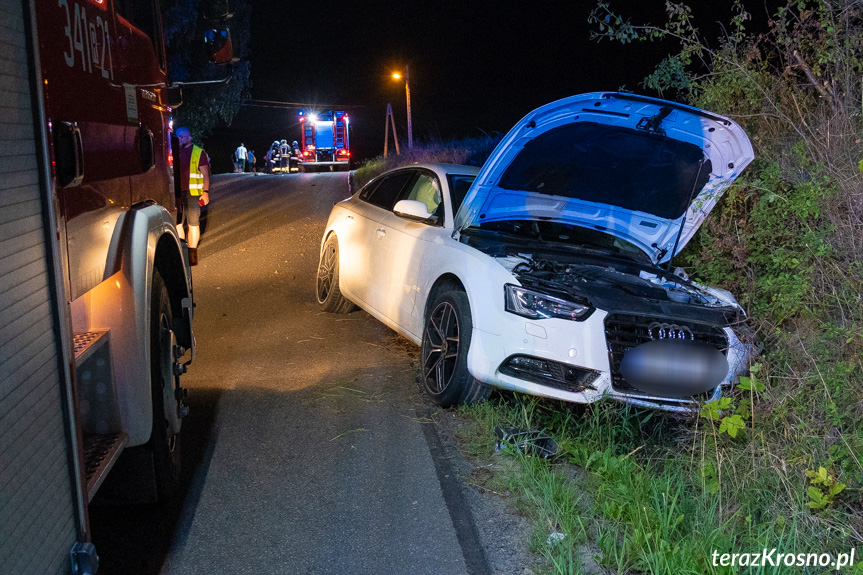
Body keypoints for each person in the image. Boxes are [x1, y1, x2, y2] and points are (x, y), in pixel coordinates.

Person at [175, 127, 210, 266]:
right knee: (177, 224)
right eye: (177, 136)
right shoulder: (173, 151)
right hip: (177, 193)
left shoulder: (198, 152)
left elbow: (205, 175)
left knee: (193, 224)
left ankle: (192, 255)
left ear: (189, 137)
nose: (180, 139)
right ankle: (182, 254)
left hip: (193, 193)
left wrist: (205, 192)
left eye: (182, 136)